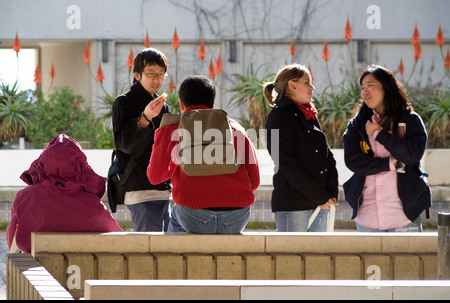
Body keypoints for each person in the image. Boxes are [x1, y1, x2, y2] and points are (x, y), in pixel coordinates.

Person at [147, 75, 260, 234]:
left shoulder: (171, 129)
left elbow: (155, 177)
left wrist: (180, 161)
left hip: (193, 216)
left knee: (176, 212)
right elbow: (254, 182)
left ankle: (176, 256)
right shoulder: (235, 128)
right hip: (237, 217)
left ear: (181, 103)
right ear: (213, 103)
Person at [342, 65, 431, 232]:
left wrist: (379, 134)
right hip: (367, 217)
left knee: (407, 260)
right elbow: (353, 161)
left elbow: (412, 155)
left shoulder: (410, 120)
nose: (365, 91)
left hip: (404, 217)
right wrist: (389, 163)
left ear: (386, 88)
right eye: (362, 87)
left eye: (370, 85)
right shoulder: (357, 124)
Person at [7, 134, 122, 254]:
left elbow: (13, 235)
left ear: (43, 163)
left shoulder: (25, 197)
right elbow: (117, 238)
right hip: (83, 267)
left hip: (36, 267)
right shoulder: (92, 203)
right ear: (81, 166)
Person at [264, 64, 339, 232]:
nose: (312, 88)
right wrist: (321, 195)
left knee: (318, 258)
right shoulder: (277, 116)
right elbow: (284, 162)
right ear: (292, 85)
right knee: (291, 258)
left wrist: (331, 193)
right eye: (307, 82)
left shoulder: (308, 113)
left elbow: (327, 156)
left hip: (321, 202)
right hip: (293, 205)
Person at [112, 48, 171, 232]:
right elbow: (123, 145)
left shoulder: (162, 106)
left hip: (163, 188)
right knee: (149, 251)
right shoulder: (123, 102)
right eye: (151, 74)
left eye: (161, 74)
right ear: (137, 75)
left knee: (167, 252)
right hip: (140, 189)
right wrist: (144, 118)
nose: (157, 80)